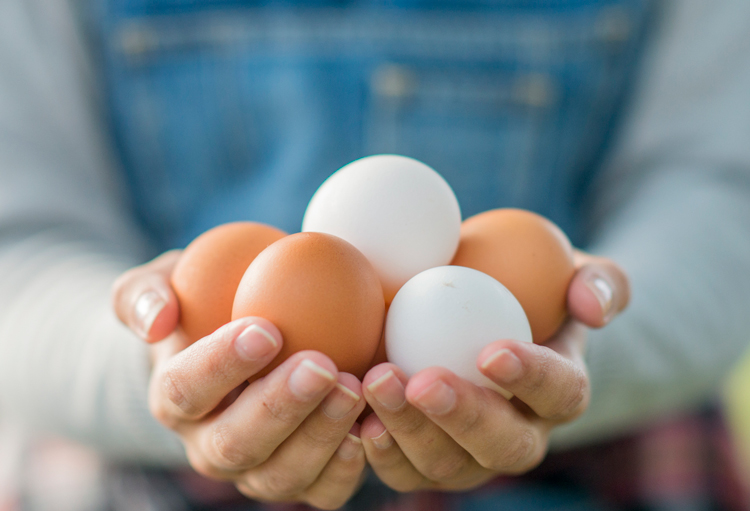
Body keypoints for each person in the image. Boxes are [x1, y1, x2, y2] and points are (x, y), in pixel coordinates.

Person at [0, 0, 749, 509]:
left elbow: (723, 190)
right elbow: (20, 240)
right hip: (135, 479)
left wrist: (562, 354)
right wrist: (158, 363)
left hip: (591, 468)